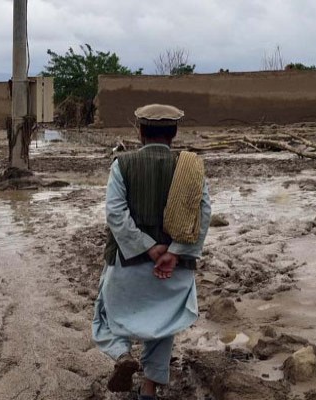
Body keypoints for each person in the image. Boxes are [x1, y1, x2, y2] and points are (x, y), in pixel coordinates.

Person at [92, 104, 211, 399]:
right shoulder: (191, 166)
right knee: (163, 324)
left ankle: (122, 354)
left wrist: (148, 248)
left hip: (127, 263)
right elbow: (203, 213)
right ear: (174, 133)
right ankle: (148, 389)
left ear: (141, 132)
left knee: (105, 313)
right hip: (174, 268)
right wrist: (175, 251)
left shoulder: (123, 164)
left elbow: (116, 215)